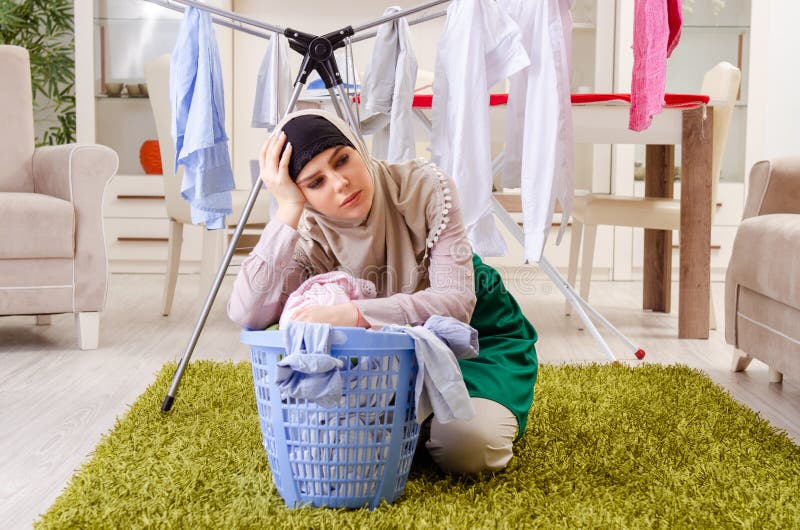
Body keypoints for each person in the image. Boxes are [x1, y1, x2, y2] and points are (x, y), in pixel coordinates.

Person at [228, 109, 538, 474]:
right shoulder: (311, 235)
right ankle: (413, 425)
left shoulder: (423, 187)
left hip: (474, 342)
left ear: (359, 148)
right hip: (385, 361)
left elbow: (454, 304)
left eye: (342, 160)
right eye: (315, 183)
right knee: (338, 454)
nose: (340, 183)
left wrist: (356, 315)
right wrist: (288, 209)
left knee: (467, 449)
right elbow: (246, 312)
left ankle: (435, 424)